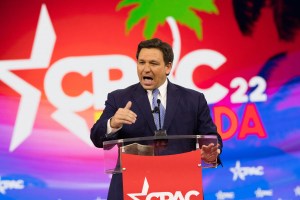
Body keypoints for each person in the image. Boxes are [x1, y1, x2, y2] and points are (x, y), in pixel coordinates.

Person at [90, 38, 223, 199]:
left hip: (179, 188)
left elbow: (211, 137)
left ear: (167, 67)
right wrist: (112, 123)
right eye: (141, 62)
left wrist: (212, 149)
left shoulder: (194, 100)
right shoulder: (119, 99)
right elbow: (96, 137)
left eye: (153, 63)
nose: (146, 69)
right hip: (132, 190)